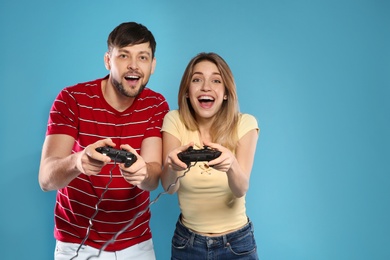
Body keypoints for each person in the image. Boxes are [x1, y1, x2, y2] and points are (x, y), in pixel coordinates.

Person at [38, 22, 169, 260]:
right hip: (76, 244)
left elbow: (152, 179)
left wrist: (142, 173)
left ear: (153, 65)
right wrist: (77, 162)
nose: (134, 65)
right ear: (108, 61)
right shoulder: (71, 99)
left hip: (137, 246)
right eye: (124, 55)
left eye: (143, 57)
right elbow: (46, 179)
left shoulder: (156, 105)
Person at [161, 52, 259, 259]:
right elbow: (169, 188)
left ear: (225, 93)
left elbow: (241, 189)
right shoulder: (174, 120)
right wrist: (173, 166)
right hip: (187, 243)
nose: (206, 87)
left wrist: (231, 165)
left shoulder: (245, 124)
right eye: (197, 79)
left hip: (237, 244)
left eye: (216, 80)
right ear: (187, 91)